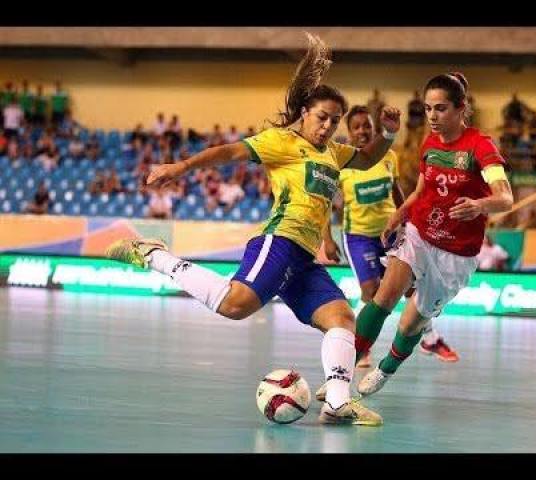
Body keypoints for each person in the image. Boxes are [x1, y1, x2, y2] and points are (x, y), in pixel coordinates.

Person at [105, 33, 401, 426]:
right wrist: (180, 168)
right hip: (280, 240)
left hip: (305, 255)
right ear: (304, 112)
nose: (328, 126)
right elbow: (226, 153)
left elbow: (367, 160)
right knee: (235, 305)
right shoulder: (281, 141)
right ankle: (152, 255)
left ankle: (337, 403)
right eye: (322, 117)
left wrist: (391, 134)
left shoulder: (333, 152)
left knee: (342, 319)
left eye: (334, 120)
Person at [354, 72, 513, 397]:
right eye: (428, 109)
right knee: (383, 298)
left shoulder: (480, 147)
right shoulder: (429, 143)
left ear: (460, 108)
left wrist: (480, 205)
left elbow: (506, 198)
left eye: (440, 109)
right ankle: (340, 373)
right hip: (420, 234)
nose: (432, 117)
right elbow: (421, 190)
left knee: (411, 324)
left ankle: (386, 369)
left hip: (456, 254)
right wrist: (401, 212)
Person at [321, 105, 458, 371]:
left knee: (408, 287)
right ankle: (362, 348)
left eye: (367, 126)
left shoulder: (388, 156)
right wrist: (327, 238)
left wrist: (408, 221)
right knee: (371, 292)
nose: (363, 130)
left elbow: (396, 191)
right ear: (348, 132)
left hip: (390, 231)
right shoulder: (342, 164)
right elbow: (325, 203)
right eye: (357, 126)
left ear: (374, 128)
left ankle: (430, 339)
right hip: (358, 237)